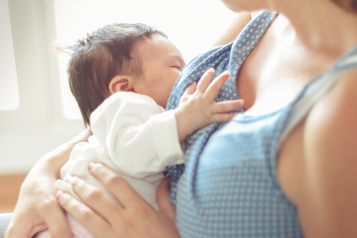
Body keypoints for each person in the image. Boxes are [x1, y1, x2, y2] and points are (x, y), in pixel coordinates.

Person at [3, 0, 357, 236]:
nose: (182, 69)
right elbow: (126, 119)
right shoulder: (259, 17)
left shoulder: (340, 104)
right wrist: (44, 172)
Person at [35, 23, 242, 238]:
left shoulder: (145, 118)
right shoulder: (125, 104)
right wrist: (186, 118)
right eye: (176, 67)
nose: (187, 73)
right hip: (72, 228)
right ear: (125, 88)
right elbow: (131, 152)